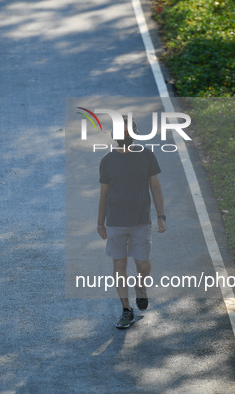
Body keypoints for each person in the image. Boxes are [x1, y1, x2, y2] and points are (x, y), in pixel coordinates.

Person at [97, 115, 166, 328]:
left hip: (141, 221)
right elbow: (104, 194)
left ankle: (141, 286)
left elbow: (155, 187)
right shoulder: (107, 160)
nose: (124, 135)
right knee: (119, 263)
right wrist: (100, 223)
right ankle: (126, 309)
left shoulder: (146, 156)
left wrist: (161, 216)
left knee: (143, 263)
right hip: (116, 221)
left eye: (128, 131)